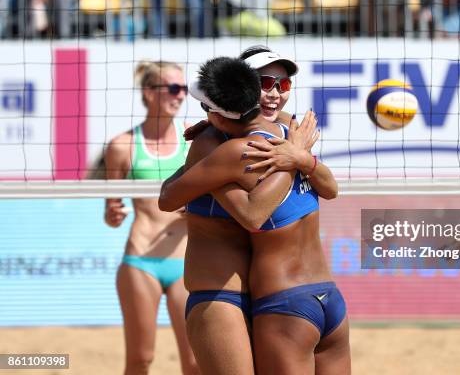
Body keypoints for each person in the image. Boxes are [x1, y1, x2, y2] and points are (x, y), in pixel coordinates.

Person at [159, 56, 351, 374]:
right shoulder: (284, 135)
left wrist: (204, 170)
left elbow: (171, 198)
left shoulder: (224, 148)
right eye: (265, 84)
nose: (274, 93)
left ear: (219, 114)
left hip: (242, 296)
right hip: (315, 294)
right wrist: (298, 156)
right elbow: (330, 190)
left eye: (283, 85)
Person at [104, 61, 198, 375]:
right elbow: (111, 212)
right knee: (140, 359)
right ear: (149, 92)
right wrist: (113, 213)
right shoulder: (122, 146)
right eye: (173, 88)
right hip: (140, 260)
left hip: (185, 262)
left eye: (183, 88)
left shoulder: (193, 141)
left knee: (195, 362)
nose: (181, 95)